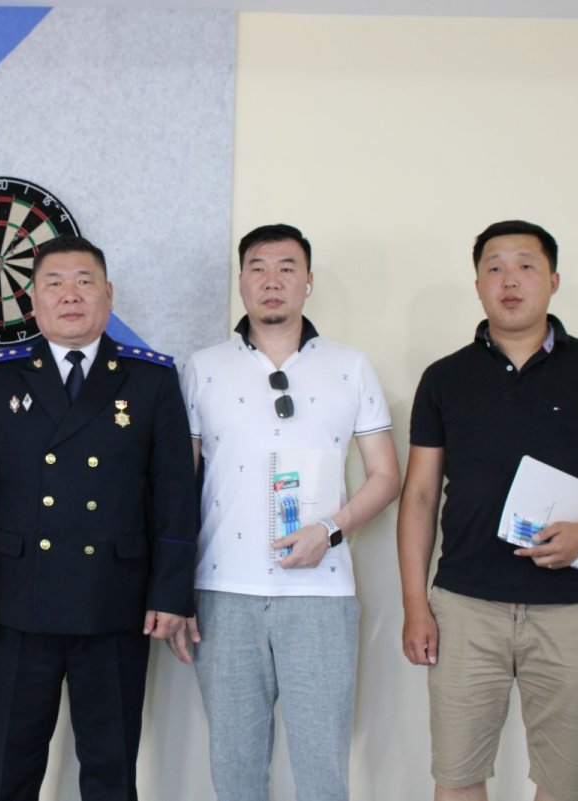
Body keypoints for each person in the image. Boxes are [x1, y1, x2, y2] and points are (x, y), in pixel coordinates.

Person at [0, 234, 197, 801]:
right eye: (54, 283)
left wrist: (171, 593)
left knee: (111, 770)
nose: (70, 295)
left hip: (115, 601)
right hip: (19, 601)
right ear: (33, 300)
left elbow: (174, 495)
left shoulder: (151, 379)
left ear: (109, 294)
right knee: (11, 769)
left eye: (84, 282)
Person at [397, 220, 578, 801]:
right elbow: (420, 496)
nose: (510, 280)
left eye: (526, 265)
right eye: (494, 267)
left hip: (569, 608)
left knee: (563, 781)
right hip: (464, 606)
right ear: (478, 284)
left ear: (553, 280)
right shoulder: (444, 377)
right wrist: (415, 606)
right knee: (457, 774)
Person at [176, 223, 400, 801]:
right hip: (223, 594)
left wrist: (330, 530)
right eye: (257, 268)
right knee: (235, 772)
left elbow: (386, 476)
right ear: (241, 282)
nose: (271, 280)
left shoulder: (350, 366)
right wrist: (175, 594)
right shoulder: (203, 367)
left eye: (286, 268)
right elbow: (178, 487)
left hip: (321, 596)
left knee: (323, 773)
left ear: (308, 281)